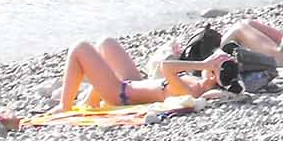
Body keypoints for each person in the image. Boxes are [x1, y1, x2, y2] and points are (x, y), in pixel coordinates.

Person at [57, 35, 233, 111]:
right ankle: (92, 100)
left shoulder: (192, 91)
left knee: (80, 48)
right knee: (106, 42)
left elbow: (166, 67)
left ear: (213, 75)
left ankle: (64, 107)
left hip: (120, 93)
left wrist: (203, 64)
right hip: (134, 82)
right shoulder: (197, 82)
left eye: (216, 65)